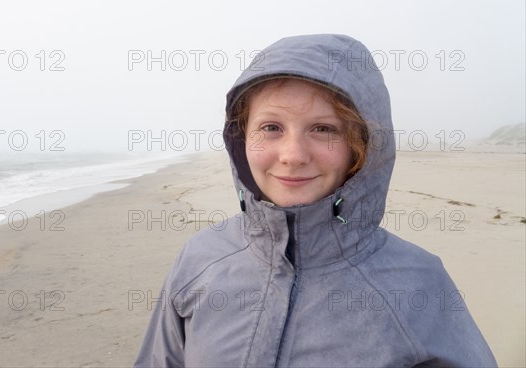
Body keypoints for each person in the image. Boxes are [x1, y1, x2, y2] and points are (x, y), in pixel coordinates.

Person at [134, 34, 497, 367]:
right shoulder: (201, 258)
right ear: (241, 138)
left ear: (363, 147)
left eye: (324, 129)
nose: (293, 155)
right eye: (271, 127)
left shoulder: (417, 282)